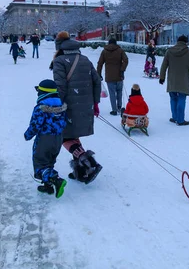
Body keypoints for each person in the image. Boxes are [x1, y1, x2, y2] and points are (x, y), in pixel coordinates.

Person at [52, 31, 102, 184]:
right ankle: (81, 171)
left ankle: (89, 162)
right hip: (85, 104)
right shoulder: (85, 59)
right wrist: (95, 103)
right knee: (74, 136)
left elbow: (60, 87)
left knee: (65, 136)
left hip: (68, 105)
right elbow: (97, 81)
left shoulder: (59, 61)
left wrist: (55, 108)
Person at [24, 79, 68, 197]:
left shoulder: (40, 108)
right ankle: (48, 186)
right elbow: (64, 122)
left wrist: (27, 135)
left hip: (44, 139)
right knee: (50, 161)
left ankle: (56, 180)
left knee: (40, 163)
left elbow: (35, 125)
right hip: (58, 138)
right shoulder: (62, 107)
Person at [159, 35, 189, 126]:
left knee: (173, 98)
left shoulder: (169, 51)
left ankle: (175, 117)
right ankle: (180, 120)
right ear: (186, 42)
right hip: (184, 81)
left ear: (178, 41)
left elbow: (164, 66)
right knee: (181, 98)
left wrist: (162, 77)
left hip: (172, 80)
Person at [97, 38, 129, 115]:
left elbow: (100, 63)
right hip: (119, 75)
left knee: (112, 93)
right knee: (119, 92)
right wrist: (122, 69)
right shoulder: (120, 50)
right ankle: (119, 107)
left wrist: (99, 74)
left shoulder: (104, 51)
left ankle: (114, 110)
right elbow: (126, 60)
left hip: (109, 76)